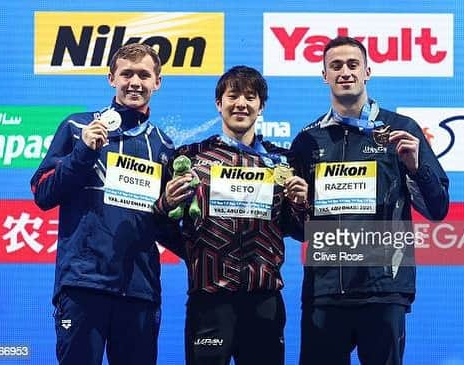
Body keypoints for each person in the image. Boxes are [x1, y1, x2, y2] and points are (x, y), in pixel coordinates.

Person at [290, 36, 450, 365]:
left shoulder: (402, 130)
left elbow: (437, 209)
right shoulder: (308, 140)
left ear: (367, 72)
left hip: (384, 289)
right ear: (324, 76)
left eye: (352, 65)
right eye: (336, 66)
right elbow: (294, 227)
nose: (345, 72)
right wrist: (299, 205)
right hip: (325, 291)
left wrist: (417, 169)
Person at [30, 43, 182, 365]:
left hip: (140, 292)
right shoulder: (77, 127)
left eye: (144, 74)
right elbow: (43, 193)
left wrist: (172, 211)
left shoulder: (165, 147)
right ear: (111, 77)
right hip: (84, 285)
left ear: (158, 81)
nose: (135, 82)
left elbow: (163, 226)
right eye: (126, 73)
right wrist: (82, 152)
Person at [152, 65, 309, 365]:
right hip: (209, 298)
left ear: (261, 106)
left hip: (264, 299)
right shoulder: (192, 157)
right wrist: (192, 251)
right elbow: (159, 223)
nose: (241, 103)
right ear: (219, 103)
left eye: (250, 97)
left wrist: (301, 203)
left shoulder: (281, 163)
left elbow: (299, 230)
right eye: (233, 95)